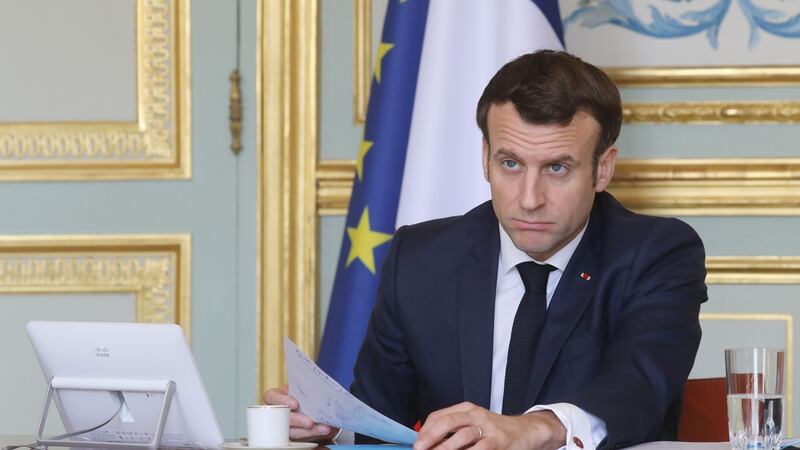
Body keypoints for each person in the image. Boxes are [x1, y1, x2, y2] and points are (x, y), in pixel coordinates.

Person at [264, 50, 708, 450]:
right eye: (510, 164)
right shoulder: (421, 259)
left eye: (557, 168)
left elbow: (639, 388)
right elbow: (381, 416)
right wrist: (331, 427)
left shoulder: (656, 254)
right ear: (485, 157)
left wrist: (531, 428)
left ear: (602, 168)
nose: (529, 198)